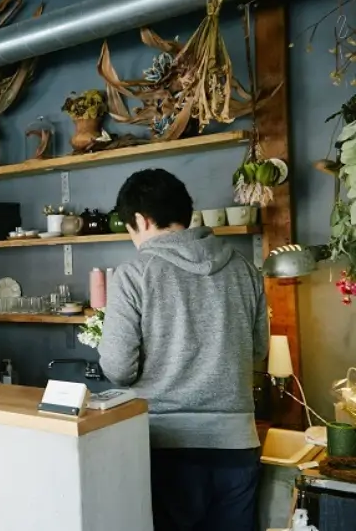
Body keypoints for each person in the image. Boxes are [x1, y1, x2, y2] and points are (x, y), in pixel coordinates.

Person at [97, 168, 268, 531]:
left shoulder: (134, 272)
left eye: (130, 229)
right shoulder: (245, 269)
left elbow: (118, 368)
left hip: (165, 445)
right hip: (237, 442)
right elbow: (257, 351)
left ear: (141, 220)